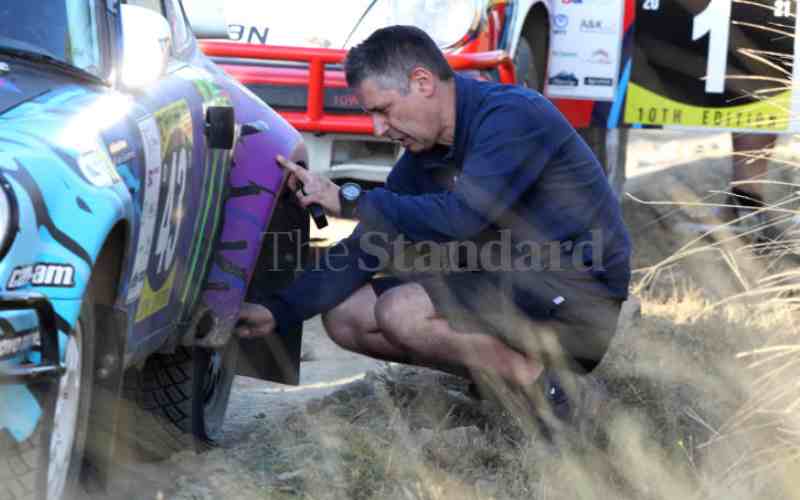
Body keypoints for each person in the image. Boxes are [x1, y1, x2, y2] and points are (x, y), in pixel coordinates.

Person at [236, 26, 632, 434]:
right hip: (512, 285)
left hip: (579, 300)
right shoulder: (426, 153)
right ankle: (505, 383)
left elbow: (463, 217)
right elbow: (370, 242)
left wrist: (351, 200)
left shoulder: (512, 117)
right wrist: (279, 311)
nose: (378, 128)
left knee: (402, 312)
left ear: (422, 82)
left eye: (384, 110)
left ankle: (552, 391)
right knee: (346, 317)